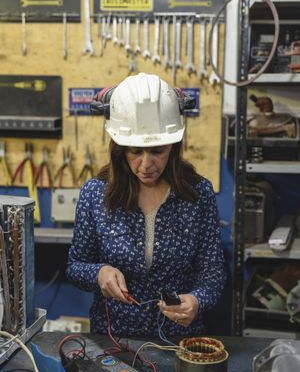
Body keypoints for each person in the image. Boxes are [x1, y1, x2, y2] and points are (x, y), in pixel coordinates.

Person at [66, 72, 226, 338]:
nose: (146, 164)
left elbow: (212, 272)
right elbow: (76, 265)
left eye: (158, 151)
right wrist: (100, 272)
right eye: (135, 151)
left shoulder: (198, 194)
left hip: (179, 337)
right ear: (119, 148)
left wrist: (197, 301)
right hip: (115, 337)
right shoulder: (96, 193)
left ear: (174, 147)